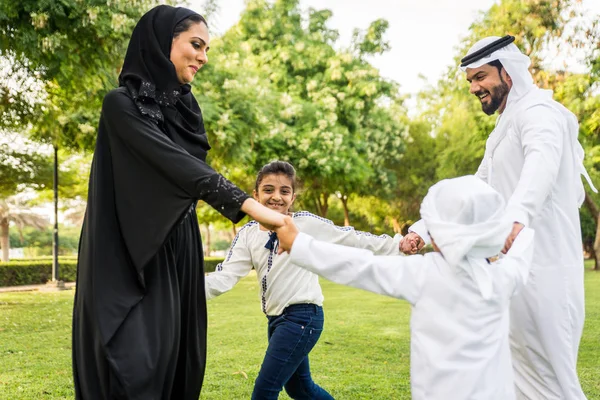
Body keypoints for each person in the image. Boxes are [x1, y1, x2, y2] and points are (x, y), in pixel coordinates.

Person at [72, 6, 285, 400]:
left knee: (178, 358)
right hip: (130, 250)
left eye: (206, 48)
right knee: (134, 361)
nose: (204, 57)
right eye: (196, 44)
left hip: (179, 244)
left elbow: (186, 170)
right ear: (162, 42)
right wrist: (251, 206)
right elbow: (175, 165)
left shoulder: (188, 111)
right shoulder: (120, 105)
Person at [402, 36, 597, 399]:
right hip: (513, 273)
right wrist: (423, 230)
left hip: (548, 273)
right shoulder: (503, 130)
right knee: (516, 378)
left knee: (552, 382)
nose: (475, 87)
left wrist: (517, 216)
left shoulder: (539, 112)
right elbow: (475, 189)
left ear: (507, 72)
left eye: (481, 77)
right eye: (470, 81)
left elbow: (541, 163)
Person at [275, 175, 535, 400]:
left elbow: (359, 266)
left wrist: (299, 246)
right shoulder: (504, 277)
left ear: (435, 234)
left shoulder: (423, 274)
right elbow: (524, 242)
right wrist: (515, 231)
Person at [205, 160, 403, 400]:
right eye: (268, 190)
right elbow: (225, 276)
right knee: (300, 388)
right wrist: (184, 290)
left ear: (293, 197)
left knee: (264, 392)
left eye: (284, 191)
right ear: (255, 195)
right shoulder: (247, 235)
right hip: (276, 320)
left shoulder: (304, 224)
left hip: (303, 317)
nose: (276, 197)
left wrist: (396, 246)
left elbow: (351, 238)